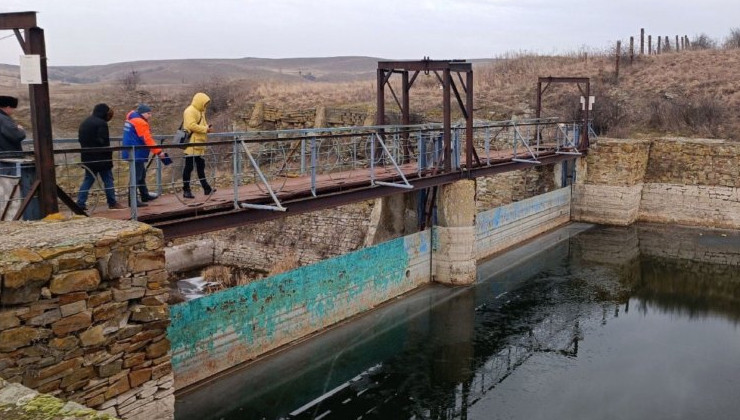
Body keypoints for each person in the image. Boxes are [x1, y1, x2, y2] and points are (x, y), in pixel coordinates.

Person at [76, 103, 125, 211]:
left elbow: (81, 139)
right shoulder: (101, 124)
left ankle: (80, 203)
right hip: (101, 158)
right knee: (108, 180)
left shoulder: (85, 122)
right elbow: (103, 142)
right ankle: (112, 203)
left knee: (88, 180)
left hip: (87, 157)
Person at [122, 104, 165, 207]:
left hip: (132, 151)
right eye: (148, 113)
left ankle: (144, 195)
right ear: (142, 113)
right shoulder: (140, 122)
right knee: (136, 176)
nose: (150, 115)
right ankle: (133, 201)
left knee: (141, 175)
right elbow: (147, 139)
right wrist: (159, 152)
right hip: (136, 152)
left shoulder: (132, 119)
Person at [182, 92, 215, 198]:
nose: (205, 106)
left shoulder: (200, 111)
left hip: (199, 143)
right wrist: (206, 129)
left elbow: (201, 124)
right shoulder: (190, 111)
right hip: (192, 143)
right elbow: (191, 126)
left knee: (200, 166)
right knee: (189, 167)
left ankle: (206, 188)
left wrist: (207, 127)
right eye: (205, 103)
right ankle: (186, 190)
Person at [0, 95, 26, 160]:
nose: (13, 111)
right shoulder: (3, 119)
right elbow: (17, 136)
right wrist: (20, 129)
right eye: (13, 108)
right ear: (8, 107)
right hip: (8, 158)